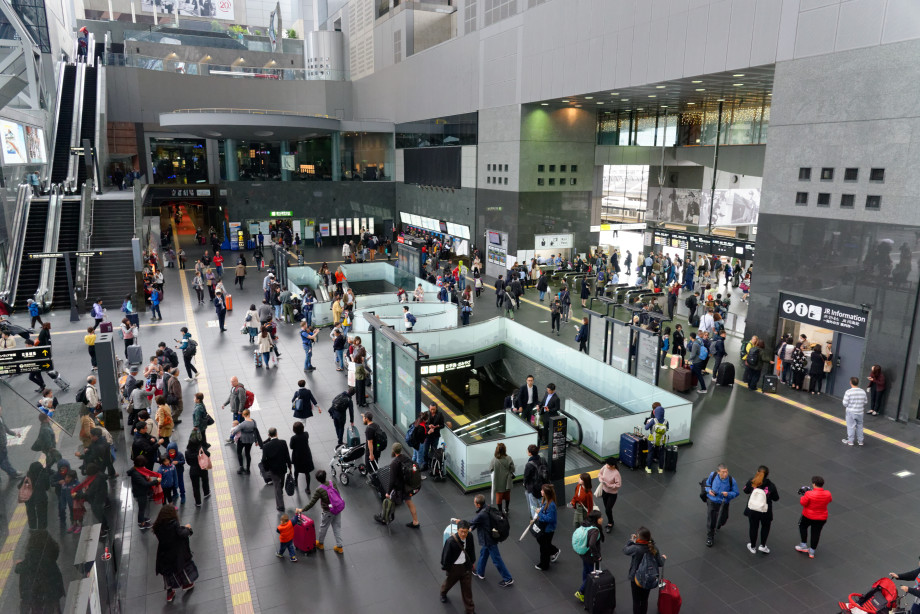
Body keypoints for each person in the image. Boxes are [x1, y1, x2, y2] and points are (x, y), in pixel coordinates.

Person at [452, 493, 513, 588]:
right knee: (483, 554)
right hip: (488, 538)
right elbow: (478, 522)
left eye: (474, 502)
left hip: (489, 540)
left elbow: (470, 522)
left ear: (478, 504)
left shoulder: (481, 514)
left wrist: (459, 522)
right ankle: (480, 572)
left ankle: (508, 578)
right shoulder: (487, 508)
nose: (474, 503)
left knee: (496, 559)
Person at [153, 506, 197, 602]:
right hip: (176, 553)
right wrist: (188, 528)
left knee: (167, 573)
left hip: (163, 553)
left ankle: (170, 593)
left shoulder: (158, 526)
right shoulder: (173, 524)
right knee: (182, 568)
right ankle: (186, 584)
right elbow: (181, 534)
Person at [623, 527, 666, 614]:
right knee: (644, 600)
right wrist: (663, 558)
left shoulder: (636, 548)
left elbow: (625, 550)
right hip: (649, 578)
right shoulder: (654, 548)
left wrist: (631, 540)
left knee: (636, 601)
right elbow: (660, 563)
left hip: (635, 578)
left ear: (639, 537)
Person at [302, 469, 346, 553]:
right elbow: (338, 494)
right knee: (337, 527)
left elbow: (312, 502)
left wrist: (303, 509)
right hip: (337, 509)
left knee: (323, 527)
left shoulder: (319, 489)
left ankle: (320, 544)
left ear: (318, 479)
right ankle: (339, 547)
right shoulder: (332, 483)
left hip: (328, 512)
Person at [439, 519, 476, 612]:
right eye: (461, 532)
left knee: (467, 590)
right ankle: (443, 593)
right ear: (458, 530)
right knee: (449, 583)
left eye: (465, 532)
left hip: (466, 566)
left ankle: (470, 610)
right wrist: (447, 569)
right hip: (454, 568)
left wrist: (472, 562)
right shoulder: (451, 541)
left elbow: (471, 549)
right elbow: (446, 557)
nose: (463, 534)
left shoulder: (470, 536)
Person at [742, 465, 779, 555]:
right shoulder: (771, 485)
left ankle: (753, 546)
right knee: (765, 527)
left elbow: (745, 491)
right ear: (767, 474)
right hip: (765, 511)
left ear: (757, 472)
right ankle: (762, 546)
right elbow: (776, 498)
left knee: (753, 527)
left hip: (753, 510)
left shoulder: (752, 482)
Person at [796, 475, 832, 559]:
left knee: (802, 526)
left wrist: (803, 495)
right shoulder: (827, 493)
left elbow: (803, 503)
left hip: (808, 516)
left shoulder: (809, 494)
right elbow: (829, 500)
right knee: (816, 533)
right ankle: (812, 552)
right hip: (821, 517)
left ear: (814, 484)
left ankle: (803, 545)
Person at [704, 463, 739, 547]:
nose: (725, 474)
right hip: (712, 501)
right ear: (718, 472)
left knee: (723, 518)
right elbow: (707, 485)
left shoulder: (731, 480)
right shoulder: (713, 475)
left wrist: (728, 494)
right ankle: (710, 537)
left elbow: (736, 492)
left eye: (726, 472)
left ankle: (718, 523)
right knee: (711, 519)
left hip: (724, 503)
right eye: (723, 472)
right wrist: (709, 491)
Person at [573, 510, 604, 604]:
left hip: (583, 553)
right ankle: (581, 591)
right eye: (600, 518)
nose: (602, 519)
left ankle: (585, 586)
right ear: (596, 519)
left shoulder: (585, 523)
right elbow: (591, 544)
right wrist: (597, 556)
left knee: (586, 570)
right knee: (593, 574)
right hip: (590, 556)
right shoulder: (595, 530)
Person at [261, 427, 292, 512]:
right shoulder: (283, 442)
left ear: (268, 435)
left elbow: (263, 460)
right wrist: (289, 465)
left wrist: (267, 468)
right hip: (282, 468)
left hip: (273, 470)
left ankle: (280, 505)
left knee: (276, 485)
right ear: (276, 433)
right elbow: (287, 455)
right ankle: (281, 491)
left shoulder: (266, 446)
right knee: (281, 481)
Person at [533, 483, 560, 571]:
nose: (541, 491)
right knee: (545, 544)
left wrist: (539, 513)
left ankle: (544, 564)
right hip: (546, 528)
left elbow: (550, 519)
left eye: (542, 490)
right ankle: (554, 551)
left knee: (544, 547)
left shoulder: (551, 505)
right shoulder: (546, 501)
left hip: (548, 529)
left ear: (545, 493)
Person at [229, 409, 260, 474]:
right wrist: (256, 440)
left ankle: (241, 467)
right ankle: (248, 469)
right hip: (250, 439)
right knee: (247, 453)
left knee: (239, 452)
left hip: (242, 439)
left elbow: (235, 431)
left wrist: (232, 433)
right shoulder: (254, 422)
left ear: (243, 415)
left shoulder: (242, 424)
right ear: (249, 414)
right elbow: (255, 431)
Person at [185, 431, 210, 507]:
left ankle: (198, 502)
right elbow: (208, 454)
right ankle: (206, 492)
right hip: (202, 468)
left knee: (195, 487)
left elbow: (188, 462)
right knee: (205, 480)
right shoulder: (200, 449)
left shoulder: (187, 452)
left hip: (193, 470)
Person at [289, 421, 315, 495]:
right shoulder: (306, 434)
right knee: (307, 473)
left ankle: (296, 482)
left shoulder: (293, 438)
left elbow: (291, 447)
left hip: (297, 456)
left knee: (296, 470)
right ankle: (308, 488)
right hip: (306, 455)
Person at [23, 461, 50, 530]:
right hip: (41, 498)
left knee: (30, 512)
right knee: (42, 514)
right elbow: (47, 487)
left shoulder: (28, 477)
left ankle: (32, 527)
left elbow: (19, 486)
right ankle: (42, 528)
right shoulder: (44, 475)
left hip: (29, 498)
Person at [597, 457, 621, 533]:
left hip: (612, 494)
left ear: (613, 466)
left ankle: (610, 523)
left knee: (608, 509)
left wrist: (609, 485)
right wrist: (601, 480)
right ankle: (610, 521)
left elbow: (618, 485)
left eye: (609, 465)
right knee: (607, 509)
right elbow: (600, 474)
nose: (607, 466)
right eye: (607, 464)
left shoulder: (616, 473)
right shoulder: (605, 467)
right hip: (604, 491)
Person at [489, 443, 515, 514]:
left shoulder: (494, 460)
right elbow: (513, 469)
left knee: (499, 498)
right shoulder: (508, 458)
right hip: (507, 481)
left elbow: (490, 469)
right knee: (507, 496)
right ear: (504, 450)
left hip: (498, 481)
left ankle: (500, 511)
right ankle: (506, 508)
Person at [842, 376, 867, 446]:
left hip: (851, 412)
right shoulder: (863, 391)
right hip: (860, 412)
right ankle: (861, 441)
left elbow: (845, 403)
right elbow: (865, 402)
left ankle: (850, 441)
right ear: (858, 383)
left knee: (851, 426)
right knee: (860, 426)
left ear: (850, 382)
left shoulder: (848, 392)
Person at [644, 403, 668, 474]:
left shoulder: (653, 420)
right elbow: (666, 429)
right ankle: (660, 469)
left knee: (650, 453)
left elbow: (646, 428)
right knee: (661, 454)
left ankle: (649, 468)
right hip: (661, 441)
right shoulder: (666, 421)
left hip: (652, 440)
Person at [522, 444, 545, 517]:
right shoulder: (542, 460)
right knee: (543, 504)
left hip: (532, 488)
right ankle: (543, 518)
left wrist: (525, 484)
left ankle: (535, 521)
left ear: (530, 453)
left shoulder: (529, 464)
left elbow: (526, 477)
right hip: (542, 486)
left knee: (533, 506)